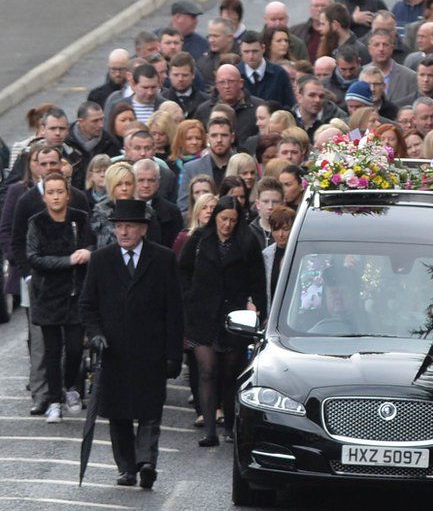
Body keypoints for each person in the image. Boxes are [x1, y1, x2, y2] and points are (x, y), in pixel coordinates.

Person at [79, 199, 184, 488]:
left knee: (150, 411)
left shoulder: (162, 259)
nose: (123, 232)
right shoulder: (101, 260)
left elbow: (175, 310)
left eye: (129, 226)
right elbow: (88, 306)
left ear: (142, 229)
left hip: (151, 351)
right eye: (119, 226)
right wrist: (96, 334)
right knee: (119, 413)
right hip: (114, 352)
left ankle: (146, 462)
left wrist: (174, 353)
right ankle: (127, 467)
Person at [179, 196, 266, 446]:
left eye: (232, 220)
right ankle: (209, 430)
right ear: (215, 217)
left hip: (233, 317)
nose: (227, 225)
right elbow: (182, 270)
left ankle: (229, 425)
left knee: (230, 373)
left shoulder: (247, 242)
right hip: (203, 315)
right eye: (223, 219)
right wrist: (190, 298)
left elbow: (257, 280)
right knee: (207, 371)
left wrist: (257, 307)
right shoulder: (199, 239)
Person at [26, 173, 96, 423]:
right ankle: (54, 401)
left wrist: (86, 253)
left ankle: (71, 387)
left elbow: (92, 246)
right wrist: (67, 261)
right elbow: (34, 256)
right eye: (51, 192)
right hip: (47, 295)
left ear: (68, 194)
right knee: (52, 352)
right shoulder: (37, 222)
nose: (56, 196)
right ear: (44, 196)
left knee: (76, 347)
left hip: (76, 294)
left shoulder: (80, 219)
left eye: (60, 191)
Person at [263, 205, 296, 305]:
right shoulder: (266, 255)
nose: (280, 234)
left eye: (285, 229)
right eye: (276, 230)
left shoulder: (303, 253)